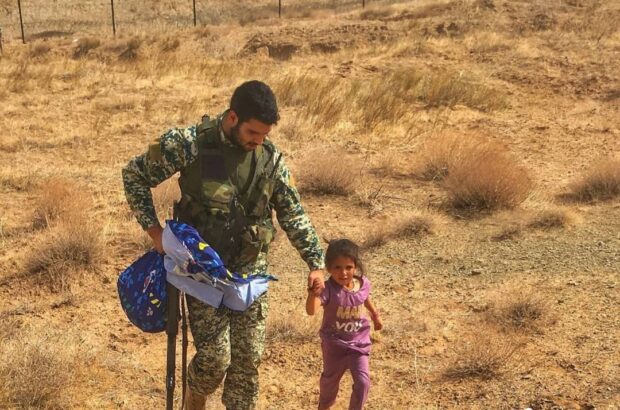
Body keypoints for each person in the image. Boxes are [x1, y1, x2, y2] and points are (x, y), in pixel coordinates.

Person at [122, 80, 325, 410]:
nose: (258, 142)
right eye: (252, 133)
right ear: (232, 118)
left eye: (264, 136)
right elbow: (134, 175)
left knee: (247, 363)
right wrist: (154, 232)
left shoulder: (270, 159)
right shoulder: (189, 144)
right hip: (201, 271)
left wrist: (315, 262)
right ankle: (195, 397)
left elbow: (292, 211)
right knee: (216, 358)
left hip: (250, 272)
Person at [306, 239, 383, 410]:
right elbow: (312, 310)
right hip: (334, 345)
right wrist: (313, 293)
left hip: (359, 343)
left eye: (348, 267)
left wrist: (375, 316)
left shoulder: (363, 283)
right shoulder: (328, 289)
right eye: (337, 268)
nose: (344, 273)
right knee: (329, 382)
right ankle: (324, 406)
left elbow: (365, 298)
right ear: (328, 269)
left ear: (355, 266)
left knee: (363, 382)